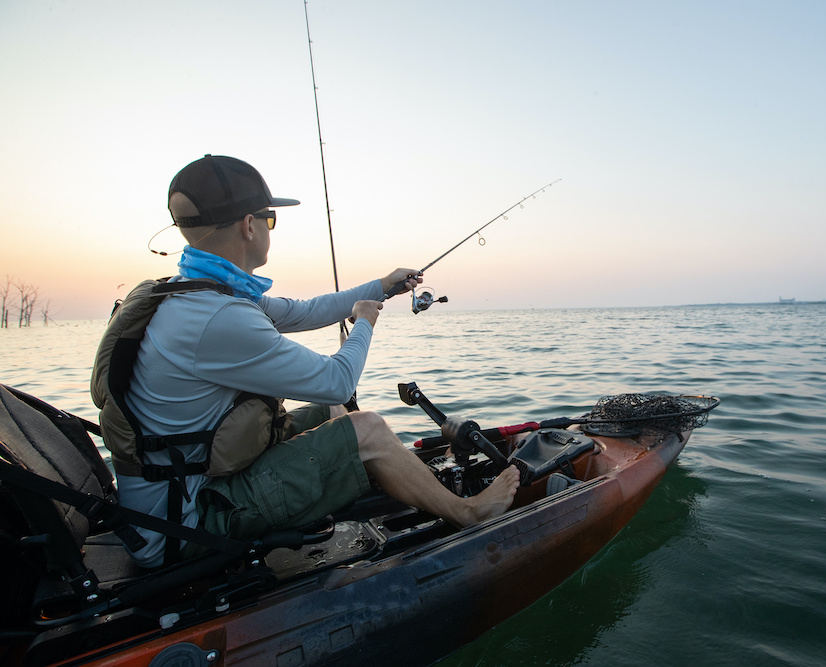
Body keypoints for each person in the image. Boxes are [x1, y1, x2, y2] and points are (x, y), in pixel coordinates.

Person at [98, 154, 519, 568]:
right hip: (183, 527)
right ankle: (468, 513)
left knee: (333, 413)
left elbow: (303, 311)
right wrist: (364, 324)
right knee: (365, 425)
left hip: (175, 494)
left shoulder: (192, 291)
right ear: (249, 225)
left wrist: (381, 287)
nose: (268, 228)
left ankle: (383, 480)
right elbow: (337, 379)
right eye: (269, 218)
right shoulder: (219, 317)